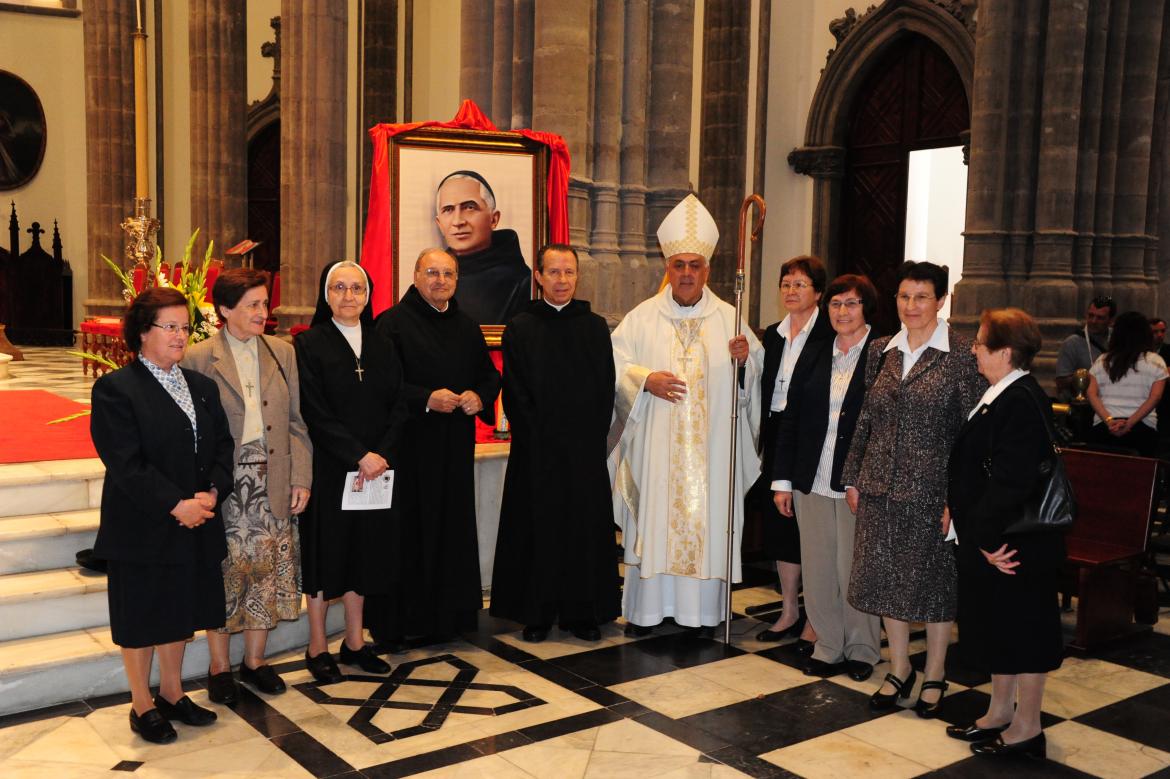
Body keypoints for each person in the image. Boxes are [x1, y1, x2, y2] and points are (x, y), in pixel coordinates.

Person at [610, 193, 763, 635]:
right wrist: (645, 380)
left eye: (695, 265)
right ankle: (648, 612)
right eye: (679, 265)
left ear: (707, 270)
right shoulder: (641, 318)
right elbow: (614, 365)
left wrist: (745, 363)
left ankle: (702, 615)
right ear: (668, 268)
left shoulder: (731, 320)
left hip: (710, 459)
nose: (687, 273)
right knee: (655, 521)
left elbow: (755, 382)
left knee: (706, 524)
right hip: (656, 456)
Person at [90, 286, 234, 743]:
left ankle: (172, 692)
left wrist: (213, 493)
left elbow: (223, 446)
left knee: (179, 609)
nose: (179, 336)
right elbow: (125, 462)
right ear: (141, 332)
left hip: (196, 521)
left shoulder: (202, 387)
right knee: (140, 615)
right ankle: (142, 704)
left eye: (185, 327)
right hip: (142, 524)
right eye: (169, 327)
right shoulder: (116, 389)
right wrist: (177, 504)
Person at [841, 260, 983, 717]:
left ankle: (935, 671)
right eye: (904, 296)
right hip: (879, 485)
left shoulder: (962, 355)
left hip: (933, 490)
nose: (911, 305)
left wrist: (958, 499)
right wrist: (853, 476)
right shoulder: (881, 350)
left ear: (941, 301)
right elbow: (866, 417)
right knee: (885, 580)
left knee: (934, 585)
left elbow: (971, 434)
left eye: (922, 297)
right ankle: (899, 667)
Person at [183, 268, 313, 704]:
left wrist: (300, 476)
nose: (263, 312)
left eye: (264, 302)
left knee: (266, 572)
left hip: (273, 477)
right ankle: (219, 667)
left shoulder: (282, 352)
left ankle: (255, 662)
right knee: (225, 571)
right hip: (224, 483)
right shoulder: (199, 356)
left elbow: (296, 422)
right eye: (253, 304)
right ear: (224, 309)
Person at [366, 247, 500, 649]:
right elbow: (382, 385)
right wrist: (425, 398)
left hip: (454, 447)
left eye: (448, 274)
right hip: (409, 448)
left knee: (452, 528)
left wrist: (479, 395)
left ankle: (450, 617)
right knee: (411, 531)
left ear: (457, 280)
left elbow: (488, 376)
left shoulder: (467, 326)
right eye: (432, 273)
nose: (440, 281)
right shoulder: (391, 324)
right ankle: (408, 621)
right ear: (416, 275)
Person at [946, 308, 1065, 760]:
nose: (974, 349)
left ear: (1006, 352)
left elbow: (1012, 481)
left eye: (980, 343)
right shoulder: (1001, 393)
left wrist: (986, 539)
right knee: (1000, 629)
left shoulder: (1020, 400)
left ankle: (1028, 728)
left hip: (1017, 543)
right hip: (999, 537)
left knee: (1025, 633)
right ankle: (999, 711)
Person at [490, 244, 621, 642]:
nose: (562, 280)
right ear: (539, 277)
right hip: (536, 451)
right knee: (537, 530)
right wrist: (539, 437)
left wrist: (588, 438)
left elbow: (605, 387)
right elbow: (514, 390)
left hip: (583, 451)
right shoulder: (521, 326)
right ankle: (537, 613)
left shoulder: (594, 327)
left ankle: (583, 613)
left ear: (577, 276)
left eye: (569, 272)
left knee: (582, 530)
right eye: (554, 272)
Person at [295, 261, 403, 682]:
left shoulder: (383, 342)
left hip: (376, 470)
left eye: (357, 288)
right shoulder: (309, 344)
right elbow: (313, 410)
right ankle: (317, 646)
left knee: (364, 553)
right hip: (331, 467)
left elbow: (399, 404)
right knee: (326, 555)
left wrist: (381, 455)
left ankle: (355, 642)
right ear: (326, 295)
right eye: (339, 288)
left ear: (368, 295)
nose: (348, 296)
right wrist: (358, 455)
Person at [771, 274, 881, 681]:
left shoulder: (883, 353)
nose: (842, 312)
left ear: (866, 308)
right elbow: (791, 418)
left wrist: (866, 478)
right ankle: (829, 645)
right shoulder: (816, 352)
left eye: (851, 303)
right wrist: (782, 480)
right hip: (811, 477)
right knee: (818, 567)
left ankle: (863, 648)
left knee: (853, 569)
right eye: (835, 304)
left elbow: (884, 425)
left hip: (856, 483)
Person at [752, 255, 832, 645]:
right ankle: (788, 610)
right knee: (781, 527)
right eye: (786, 283)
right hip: (777, 432)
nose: (790, 290)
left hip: (812, 436)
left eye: (800, 284)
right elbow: (759, 383)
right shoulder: (773, 334)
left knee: (811, 528)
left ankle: (816, 617)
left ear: (818, 292)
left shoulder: (829, 334)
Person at [434, 170, 532, 325]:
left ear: (494, 219)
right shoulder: (432, 280)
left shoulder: (522, 281)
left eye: (469, 207)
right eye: (448, 209)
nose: (458, 221)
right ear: (439, 224)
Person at [1086, 310, 1167, 457]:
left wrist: (1109, 421)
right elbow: (1155, 397)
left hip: (1104, 428)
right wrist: (1129, 423)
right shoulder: (1156, 361)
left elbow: (1091, 393)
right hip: (1142, 429)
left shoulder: (1102, 360)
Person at [1054, 295, 1115, 399]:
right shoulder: (1072, 343)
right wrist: (1084, 377)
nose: (1093, 321)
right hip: (1082, 403)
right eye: (1090, 315)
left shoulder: (1117, 339)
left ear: (1111, 321)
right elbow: (1060, 382)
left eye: (1100, 318)